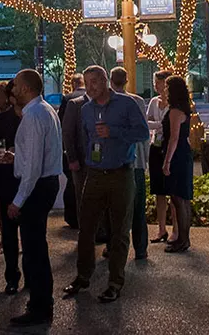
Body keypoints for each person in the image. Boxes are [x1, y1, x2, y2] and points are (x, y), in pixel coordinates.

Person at [63, 65, 149, 303]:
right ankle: (82, 276)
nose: (90, 86)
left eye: (94, 81)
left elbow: (142, 133)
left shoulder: (126, 104)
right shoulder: (86, 109)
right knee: (86, 227)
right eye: (87, 82)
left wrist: (115, 132)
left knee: (119, 230)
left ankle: (115, 282)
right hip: (95, 172)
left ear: (105, 81)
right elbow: (86, 137)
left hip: (121, 173)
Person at [7, 68, 63, 327]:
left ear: (27, 89)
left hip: (37, 187)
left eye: (16, 85)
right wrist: (17, 159)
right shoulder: (45, 110)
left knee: (34, 249)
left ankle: (40, 306)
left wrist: (18, 201)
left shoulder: (33, 115)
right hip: (45, 183)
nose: (12, 89)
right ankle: (40, 303)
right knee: (35, 247)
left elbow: (32, 167)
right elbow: (35, 157)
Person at [109, 66, 148, 261]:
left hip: (117, 163)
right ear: (126, 80)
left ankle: (113, 246)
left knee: (115, 208)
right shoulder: (138, 101)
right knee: (138, 207)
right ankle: (140, 248)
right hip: (138, 161)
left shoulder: (108, 103)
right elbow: (144, 132)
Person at [0, 78, 22, 293]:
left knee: (31, 234)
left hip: (30, 180)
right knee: (9, 232)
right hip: (7, 178)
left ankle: (32, 276)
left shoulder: (34, 117)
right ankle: (12, 277)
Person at [162, 75, 194, 254]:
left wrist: (167, 162)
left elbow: (173, 138)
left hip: (177, 155)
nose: (165, 91)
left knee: (178, 198)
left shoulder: (175, 111)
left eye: (167, 88)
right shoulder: (184, 109)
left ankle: (182, 239)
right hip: (184, 153)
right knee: (183, 198)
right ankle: (184, 238)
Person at [147, 69, 177, 244]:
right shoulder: (153, 102)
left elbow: (172, 129)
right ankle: (161, 229)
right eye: (155, 82)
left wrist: (157, 126)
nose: (156, 86)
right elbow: (147, 122)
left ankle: (176, 230)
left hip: (170, 148)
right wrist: (161, 125)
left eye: (159, 82)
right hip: (155, 148)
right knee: (159, 191)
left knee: (173, 191)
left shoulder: (175, 105)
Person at [59, 73, 86, 229]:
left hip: (72, 149)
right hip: (88, 151)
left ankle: (72, 217)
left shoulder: (69, 98)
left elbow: (65, 127)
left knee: (72, 184)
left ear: (73, 83)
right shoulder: (92, 97)